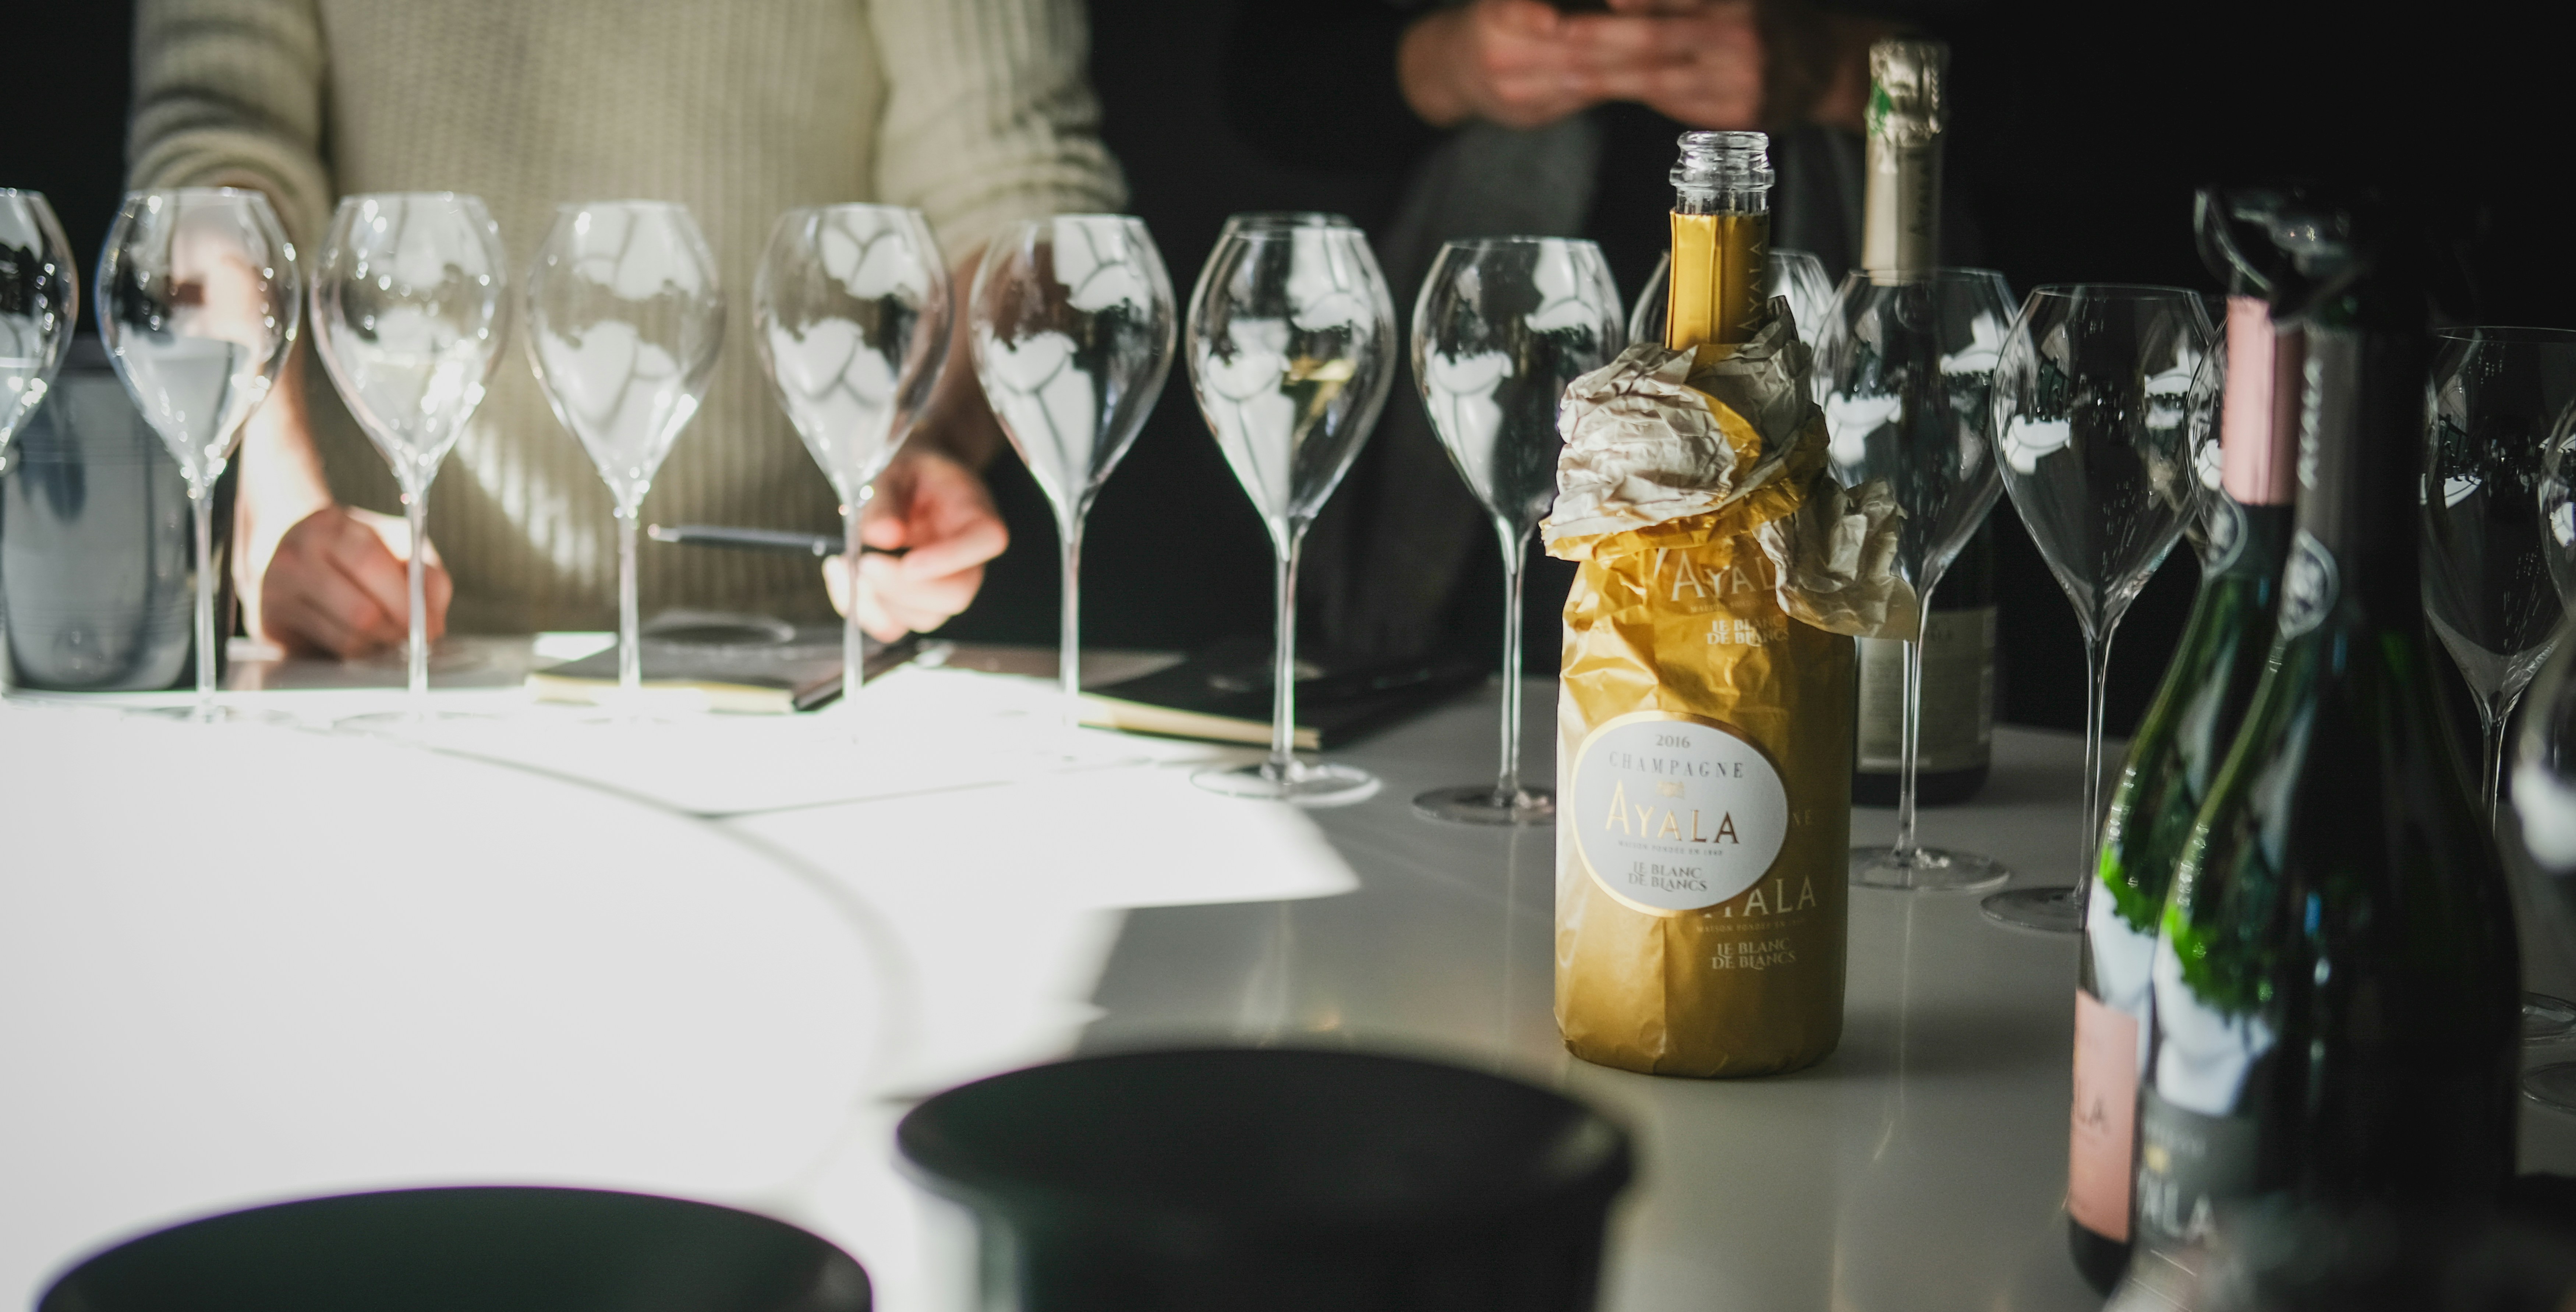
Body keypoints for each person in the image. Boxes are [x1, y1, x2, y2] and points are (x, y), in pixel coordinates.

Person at [127, 0, 1128, 657]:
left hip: (788, 652)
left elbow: (1015, 189)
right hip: (374, 646)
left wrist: (937, 437)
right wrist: (272, 486)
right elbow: (213, 164)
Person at [1223, 0, 1926, 666]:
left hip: (1801, 320)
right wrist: (1447, 61)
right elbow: (1268, 79)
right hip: (1495, 366)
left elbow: (2028, 72)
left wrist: (1837, 66)